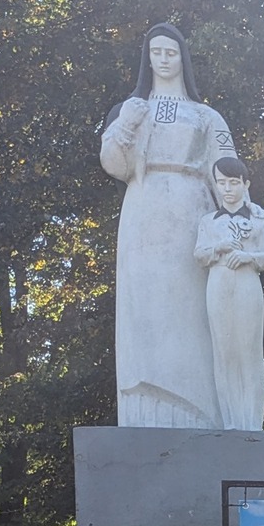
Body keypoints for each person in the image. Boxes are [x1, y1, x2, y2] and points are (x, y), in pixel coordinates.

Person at [99, 22, 238, 428]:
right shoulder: (132, 109)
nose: (163, 60)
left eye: (170, 52)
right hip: (143, 210)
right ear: (147, 59)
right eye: (156, 52)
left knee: (192, 313)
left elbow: (227, 171)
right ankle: (144, 408)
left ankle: (200, 412)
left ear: (182, 58)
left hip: (192, 211)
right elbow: (113, 164)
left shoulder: (206, 115)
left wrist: (237, 224)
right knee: (143, 309)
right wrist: (127, 123)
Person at [194, 157, 264, 431]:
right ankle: (230, 422)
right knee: (224, 351)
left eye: (233, 182)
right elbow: (199, 255)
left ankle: (251, 423)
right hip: (218, 282)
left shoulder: (259, 219)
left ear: (245, 184)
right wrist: (218, 247)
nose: (227, 189)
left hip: (246, 282)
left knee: (249, 351)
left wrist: (248, 257)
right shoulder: (208, 222)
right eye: (222, 183)